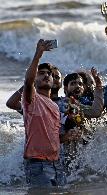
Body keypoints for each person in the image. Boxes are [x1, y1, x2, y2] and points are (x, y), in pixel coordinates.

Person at [21, 39, 66, 187]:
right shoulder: (32, 99)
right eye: (41, 73)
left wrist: (66, 137)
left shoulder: (54, 106)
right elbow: (28, 81)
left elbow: (51, 136)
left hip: (56, 164)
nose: (46, 75)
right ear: (35, 80)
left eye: (49, 74)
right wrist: (38, 55)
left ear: (54, 81)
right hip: (37, 165)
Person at [58, 69, 103, 170]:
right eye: (73, 83)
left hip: (80, 150)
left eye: (80, 84)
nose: (78, 86)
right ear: (65, 88)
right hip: (61, 150)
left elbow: (96, 112)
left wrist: (98, 86)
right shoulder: (60, 103)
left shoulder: (79, 105)